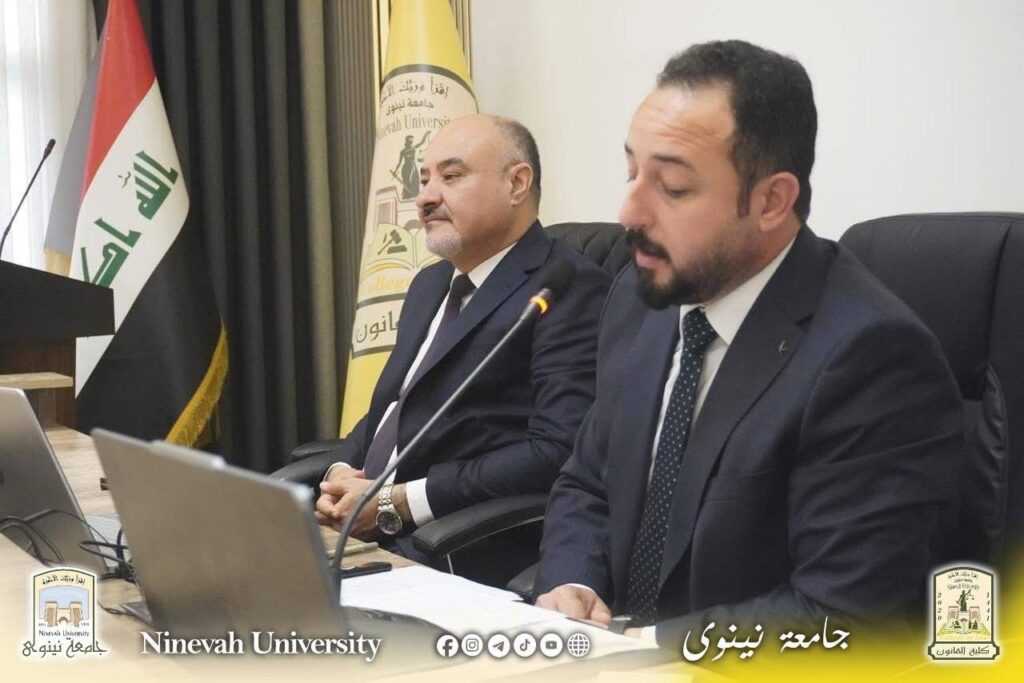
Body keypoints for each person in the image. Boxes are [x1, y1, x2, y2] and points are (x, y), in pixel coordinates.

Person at [534, 40, 963, 651]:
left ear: (770, 201)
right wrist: (572, 581)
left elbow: (843, 614)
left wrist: (644, 649)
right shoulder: (639, 297)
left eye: (672, 187)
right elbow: (588, 481)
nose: (628, 212)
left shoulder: (871, 357)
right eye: (632, 173)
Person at [312, 114, 611, 576]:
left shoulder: (565, 288)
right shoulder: (429, 285)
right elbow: (394, 409)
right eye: (424, 180)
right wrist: (339, 475)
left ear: (517, 184)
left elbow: (557, 449)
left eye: (451, 177)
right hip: (360, 528)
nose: (426, 197)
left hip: (453, 546)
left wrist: (398, 502)